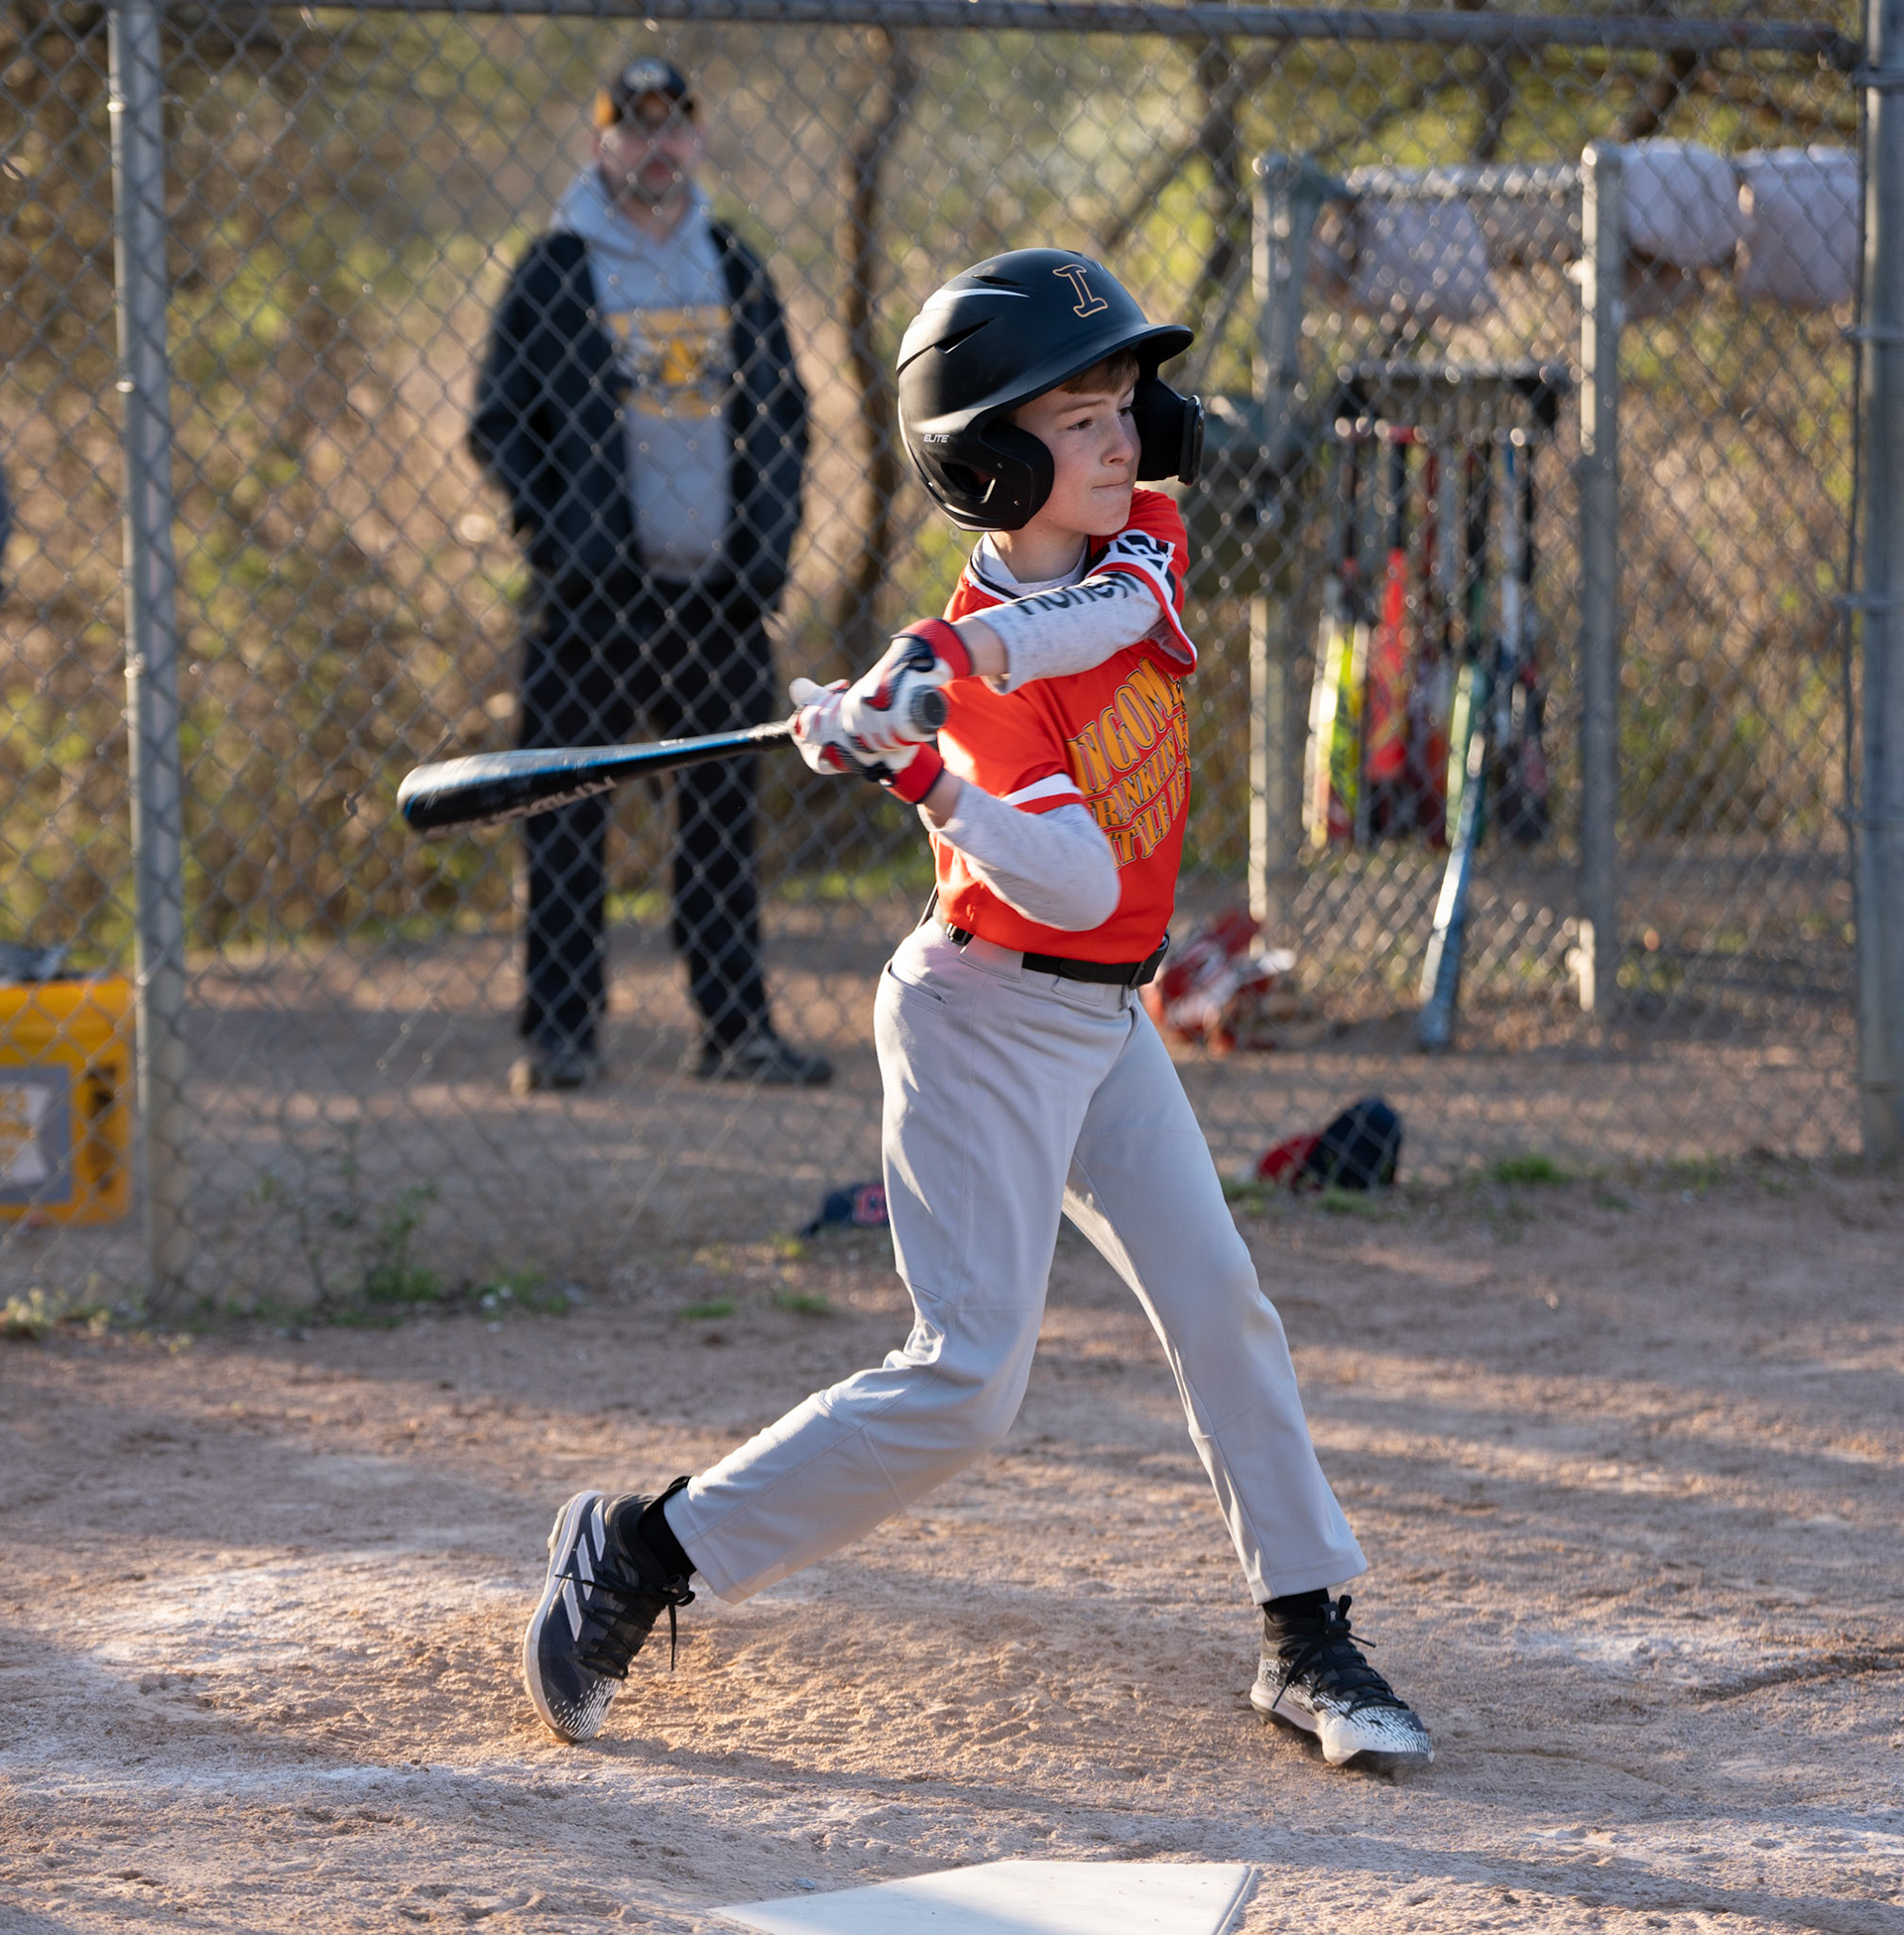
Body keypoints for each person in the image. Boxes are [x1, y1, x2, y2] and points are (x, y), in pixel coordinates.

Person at [519, 251, 1434, 1774]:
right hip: (983, 1025)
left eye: (1126, 407)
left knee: (1219, 1299)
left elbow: (1083, 624)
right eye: (1079, 422)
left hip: (1106, 1021)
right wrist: (925, 768)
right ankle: (643, 1550)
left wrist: (936, 666)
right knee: (967, 1384)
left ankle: (1302, 1626)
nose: (1123, 441)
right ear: (993, 461)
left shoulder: (1139, 542)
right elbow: (1069, 880)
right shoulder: (984, 709)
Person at [469, 57, 829, 1092]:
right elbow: (498, 420)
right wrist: (562, 541)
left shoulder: (732, 262)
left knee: (719, 824)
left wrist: (764, 554)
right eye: (634, 128)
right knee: (563, 816)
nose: (656, 146)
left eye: (673, 126)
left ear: (697, 139)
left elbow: (785, 415)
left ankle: (735, 1029)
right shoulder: (555, 268)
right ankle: (563, 1034)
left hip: (716, 598)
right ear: (601, 146)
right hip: (590, 603)